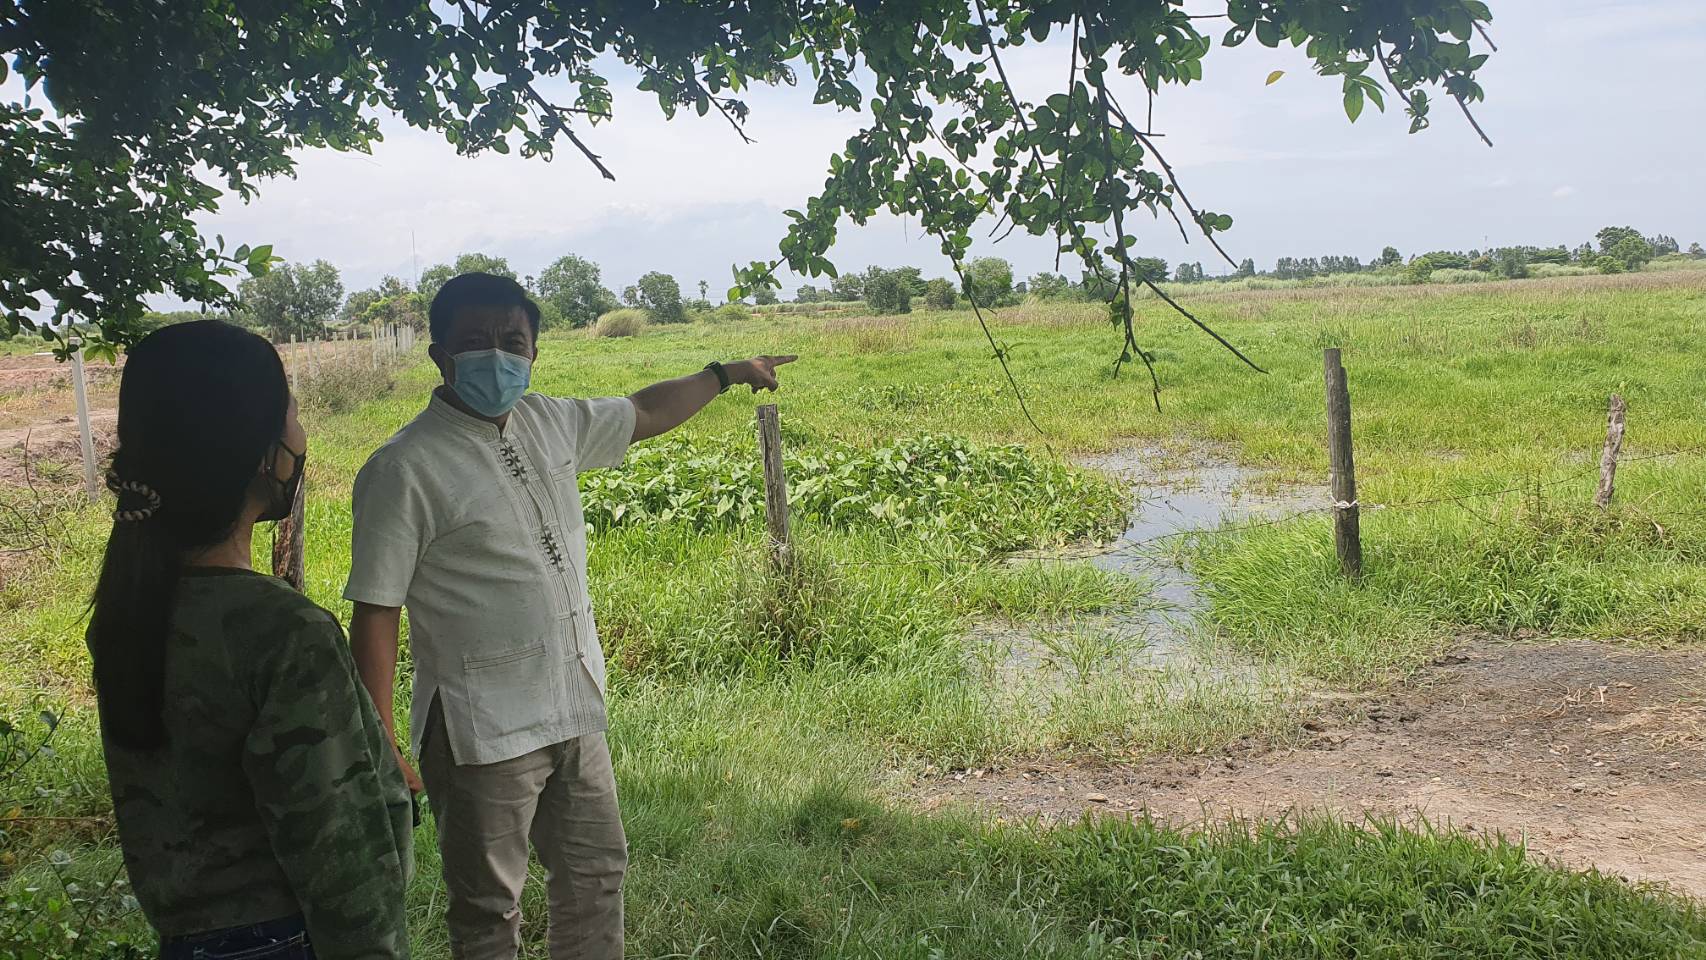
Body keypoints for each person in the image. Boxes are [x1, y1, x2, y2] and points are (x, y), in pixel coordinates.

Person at [346, 273, 793, 960]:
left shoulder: (549, 422)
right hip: (480, 731)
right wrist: (382, 736)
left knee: (595, 874)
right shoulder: (402, 468)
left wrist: (726, 373)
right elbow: (376, 611)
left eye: (511, 342)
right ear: (438, 355)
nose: (494, 357)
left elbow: (643, 411)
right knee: (490, 907)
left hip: (572, 704)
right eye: (473, 342)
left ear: (533, 354)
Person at [88, 320, 413, 960]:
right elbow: (340, 859)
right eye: (290, 409)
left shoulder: (128, 607)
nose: (301, 431)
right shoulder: (286, 633)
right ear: (261, 451)